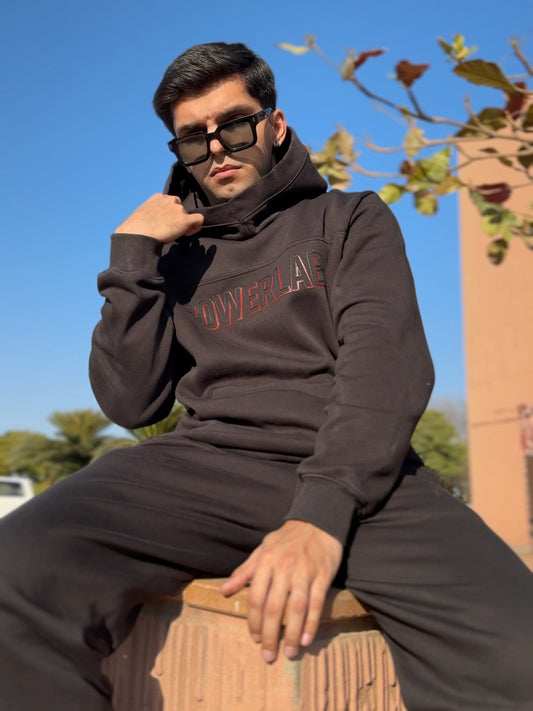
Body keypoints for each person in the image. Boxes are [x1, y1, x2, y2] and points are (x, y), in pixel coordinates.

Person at [0, 41, 532, 711]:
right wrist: (133, 258)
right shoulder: (175, 260)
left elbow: (385, 366)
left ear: (275, 125)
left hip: (359, 474)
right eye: (193, 138)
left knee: (519, 654)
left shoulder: (349, 218)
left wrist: (320, 514)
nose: (216, 149)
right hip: (207, 468)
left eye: (234, 124)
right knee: (13, 570)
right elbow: (131, 402)